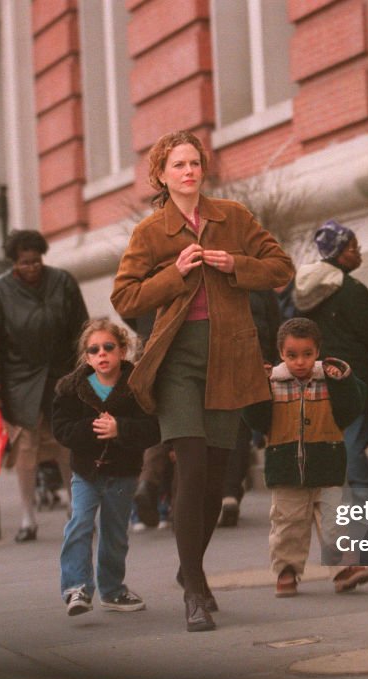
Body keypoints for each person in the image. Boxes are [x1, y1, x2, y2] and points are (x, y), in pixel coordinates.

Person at [111, 129, 294, 632]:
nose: (189, 171)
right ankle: (194, 589)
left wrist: (236, 264)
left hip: (229, 355)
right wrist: (174, 274)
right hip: (177, 362)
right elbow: (124, 298)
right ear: (162, 175)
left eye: (194, 163)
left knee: (215, 477)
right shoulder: (151, 233)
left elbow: (281, 267)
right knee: (190, 467)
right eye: (178, 165)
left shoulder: (231, 218)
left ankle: (187, 565)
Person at [243, 318, 368, 597]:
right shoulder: (271, 382)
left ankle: (343, 569)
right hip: (286, 468)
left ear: (317, 352)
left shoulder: (330, 379)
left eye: (307, 355)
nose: (299, 362)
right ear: (280, 353)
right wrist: (256, 388)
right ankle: (286, 571)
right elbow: (255, 420)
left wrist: (344, 380)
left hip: (327, 464)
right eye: (292, 355)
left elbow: (353, 408)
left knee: (335, 522)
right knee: (288, 525)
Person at [0, 229, 89, 542]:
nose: (32, 267)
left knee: (68, 446)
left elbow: (82, 328)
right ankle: (28, 516)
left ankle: (76, 509)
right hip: (19, 382)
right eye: (25, 263)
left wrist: (86, 372)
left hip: (61, 376)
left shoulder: (62, 282)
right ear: (14, 263)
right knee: (25, 449)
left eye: (36, 261)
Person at [52, 319, 160, 616]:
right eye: (94, 349)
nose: (102, 354)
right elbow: (61, 429)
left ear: (122, 351)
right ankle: (76, 587)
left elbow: (153, 429)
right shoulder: (71, 389)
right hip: (86, 472)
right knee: (80, 524)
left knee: (115, 533)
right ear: (87, 357)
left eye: (109, 347)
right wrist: (92, 428)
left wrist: (121, 429)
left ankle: (112, 590)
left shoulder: (137, 387)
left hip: (123, 472)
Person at [294, 220, 368, 491]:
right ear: (339, 253)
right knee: (353, 442)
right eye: (354, 247)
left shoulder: (304, 292)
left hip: (316, 378)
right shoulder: (351, 290)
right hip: (352, 378)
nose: (359, 253)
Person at [218, 287, 281, 527]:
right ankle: (230, 493)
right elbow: (275, 323)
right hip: (255, 360)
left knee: (227, 429)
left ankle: (227, 493)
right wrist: (271, 358)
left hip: (222, 363)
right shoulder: (258, 281)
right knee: (240, 431)